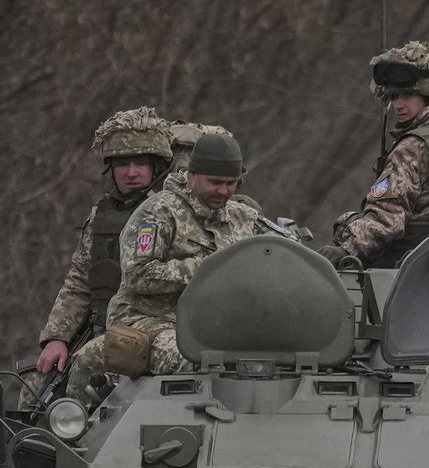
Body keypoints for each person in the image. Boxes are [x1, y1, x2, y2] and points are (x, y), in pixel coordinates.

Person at [65, 133, 262, 394]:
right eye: (215, 182)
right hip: (152, 321)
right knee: (197, 361)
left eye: (231, 183)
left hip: (219, 323)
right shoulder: (157, 213)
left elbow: (275, 255)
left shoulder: (243, 217)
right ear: (192, 175)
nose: (224, 191)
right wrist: (209, 269)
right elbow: (138, 274)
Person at [21, 107, 172, 406]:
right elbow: (79, 280)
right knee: (35, 390)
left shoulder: (176, 211)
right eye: (122, 164)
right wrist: (57, 338)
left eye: (141, 163)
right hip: (101, 330)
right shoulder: (103, 214)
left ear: (157, 166)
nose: (131, 172)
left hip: (154, 336)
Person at [319, 41, 429, 268]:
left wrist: (345, 249)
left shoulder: (411, 148)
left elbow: (387, 220)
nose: (398, 105)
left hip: (414, 267)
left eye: (407, 96)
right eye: (394, 97)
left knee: (347, 225)